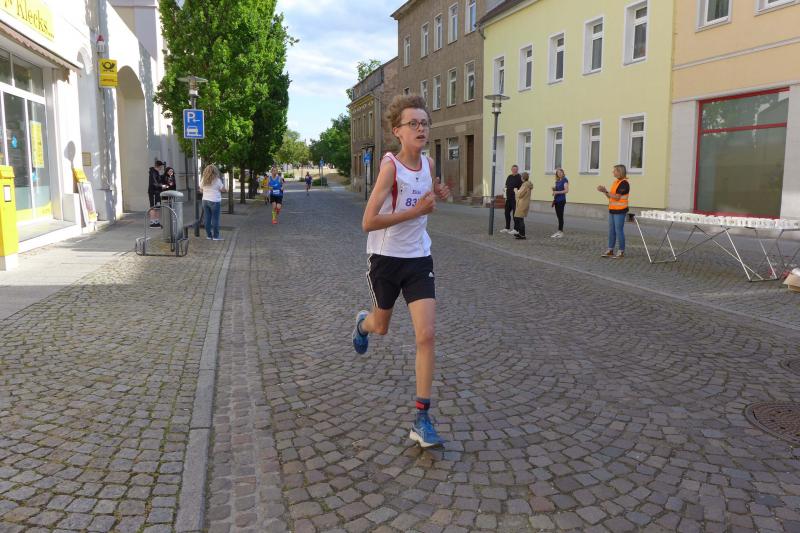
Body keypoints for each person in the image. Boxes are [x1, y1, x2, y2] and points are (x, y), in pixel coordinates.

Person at [351, 94, 451, 449]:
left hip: (418, 257)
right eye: (413, 124)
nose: (421, 128)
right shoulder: (390, 167)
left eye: (424, 123)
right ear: (398, 131)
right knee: (381, 326)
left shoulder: (429, 163)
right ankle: (363, 323)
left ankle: (422, 418)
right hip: (385, 257)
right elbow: (368, 222)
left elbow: (426, 192)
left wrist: (437, 191)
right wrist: (416, 210)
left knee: (426, 335)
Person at [598, 164, 630, 258]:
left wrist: (606, 191)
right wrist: (604, 191)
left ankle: (621, 251)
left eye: (615, 170)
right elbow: (610, 197)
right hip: (612, 210)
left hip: (620, 210)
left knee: (618, 230)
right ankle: (610, 250)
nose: (613, 172)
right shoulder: (616, 182)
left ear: (620, 172)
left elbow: (617, 197)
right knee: (611, 230)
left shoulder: (624, 183)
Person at [201, 164, 227, 241]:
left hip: (205, 200)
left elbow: (201, 189)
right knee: (215, 219)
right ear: (215, 171)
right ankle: (216, 236)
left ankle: (209, 236)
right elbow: (223, 190)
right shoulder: (217, 180)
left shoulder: (203, 179)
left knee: (207, 219)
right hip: (215, 201)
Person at [501, 165, 522, 235]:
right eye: (513, 169)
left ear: (517, 170)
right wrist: (504, 189)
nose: (514, 170)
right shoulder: (509, 176)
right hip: (508, 198)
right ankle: (507, 227)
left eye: (515, 169)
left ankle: (516, 229)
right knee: (506, 212)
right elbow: (506, 185)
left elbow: (521, 189)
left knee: (515, 214)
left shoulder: (519, 177)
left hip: (515, 198)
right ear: (511, 169)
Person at [513, 172, 533, 240]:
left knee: (520, 219)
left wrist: (516, 191)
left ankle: (522, 235)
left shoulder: (525, 185)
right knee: (518, 218)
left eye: (521, 177)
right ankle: (520, 233)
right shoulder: (527, 184)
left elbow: (520, 195)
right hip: (523, 203)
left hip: (522, 204)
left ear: (523, 178)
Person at [551, 168, 569, 238]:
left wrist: (557, 192)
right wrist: (554, 191)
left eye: (560, 172)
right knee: (558, 216)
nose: (559, 174)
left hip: (561, 200)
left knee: (560, 216)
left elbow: (566, 190)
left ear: (563, 173)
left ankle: (560, 231)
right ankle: (559, 231)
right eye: (558, 173)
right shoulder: (557, 181)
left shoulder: (565, 180)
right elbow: (557, 190)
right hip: (557, 200)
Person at [147, 160, 166, 227]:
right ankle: (152, 223)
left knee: (157, 207)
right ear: (159, 166)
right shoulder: (153, 172)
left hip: (157, 192)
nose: (162, 168)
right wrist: (161, 186)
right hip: (153, 192)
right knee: (153, 207)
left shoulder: (156, 172)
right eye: (161, 166)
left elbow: (158, 180)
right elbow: (154, 183)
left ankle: (156, 222)